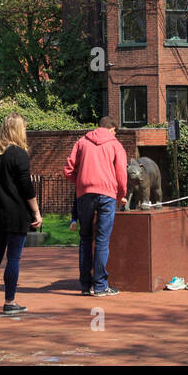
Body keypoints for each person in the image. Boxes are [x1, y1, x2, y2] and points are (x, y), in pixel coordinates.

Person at [0, 112, 41, 315]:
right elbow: (27, 188)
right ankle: (10, 301)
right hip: (17, 213)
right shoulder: (19, 154)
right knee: (13, 258)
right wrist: (36, 212)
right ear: (18, 130)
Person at [64, 116, 127, 296]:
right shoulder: (115, 145)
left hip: (85, 194)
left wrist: (82, 182)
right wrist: (121, 195)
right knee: (102, 239)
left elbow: (68, 170)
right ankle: (100, 286)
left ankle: (85, 285)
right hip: (107, 194)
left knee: (85, 238)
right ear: (112, 129)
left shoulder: (81, 142)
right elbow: (121, 173)